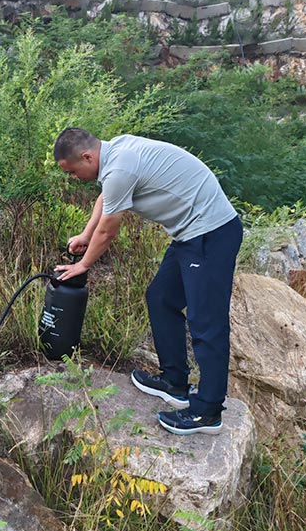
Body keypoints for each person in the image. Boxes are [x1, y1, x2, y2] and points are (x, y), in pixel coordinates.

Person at [52, 128, 242, 436]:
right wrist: (85, 235)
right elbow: (106, 197)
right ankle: (174, 383)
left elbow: (109, 232)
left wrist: (84, 266)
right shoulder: (115, 155)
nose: (74, 177)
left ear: (87, 157)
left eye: (74, 171)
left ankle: (208, 412)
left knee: (206, 322)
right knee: (161, 298)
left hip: (211, 233)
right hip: (189, 235)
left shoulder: (120, 167)